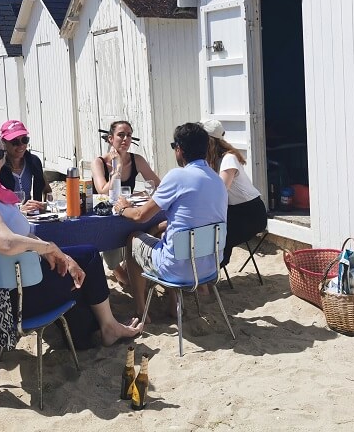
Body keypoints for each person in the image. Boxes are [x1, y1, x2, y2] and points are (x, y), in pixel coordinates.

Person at [0, 126, 142, 347]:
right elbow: (5, 242)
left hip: (15, 284)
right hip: (14, 297)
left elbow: (19, 236)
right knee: (89, 256)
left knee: (75, 262)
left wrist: (57, 253)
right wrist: (50, 248)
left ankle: (86, 332)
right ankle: (108, 327)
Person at [114, 122, 227, 319]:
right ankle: (173, 305)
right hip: (209, 268)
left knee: (133, 238)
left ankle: (141, 310)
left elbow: (140, 216)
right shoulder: (217, 180)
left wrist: (123, 207)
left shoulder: (177, 176)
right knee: (167, 236)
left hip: (177, 269)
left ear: (179, 149)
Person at [91, 120, 161, 285]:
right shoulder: (99, 162)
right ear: (110, 139)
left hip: (126, 209)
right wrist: (117, 170)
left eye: (129, 135)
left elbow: (157, 184)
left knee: (148, 222)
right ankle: (116, 268)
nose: (125, 139)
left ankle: (132, 261)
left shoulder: (137, 160)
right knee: (111, 231)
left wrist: (143, 193)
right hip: (104, 214)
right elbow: (102, 190)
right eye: (120, 135)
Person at [202, 119, 268, 268]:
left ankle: (212, 271)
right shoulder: (212, 159)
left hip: (250, 214)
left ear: (209, 141)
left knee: (215, 236)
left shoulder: (228, 159)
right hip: (232, 212)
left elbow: (220, 192)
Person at [0, 119, 51, 213]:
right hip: (7, 217)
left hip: (32, 215)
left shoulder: (33, 161)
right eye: (15, 142)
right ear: (3, 143)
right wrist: (18, 210)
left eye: (24, 140)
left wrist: (43, 206)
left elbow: (46, 189)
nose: (21, 145)